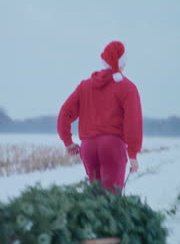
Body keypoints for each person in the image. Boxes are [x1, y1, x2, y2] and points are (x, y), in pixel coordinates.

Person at [57, 41, 143, 193]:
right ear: (122, 62)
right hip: (112, 147)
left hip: (88, 147)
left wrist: (68, 141)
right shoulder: (127, 87)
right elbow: (133, 122)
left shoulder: (85, 86)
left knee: (95, 199)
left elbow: (65, 112)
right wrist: (133, 153)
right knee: (110, 199)